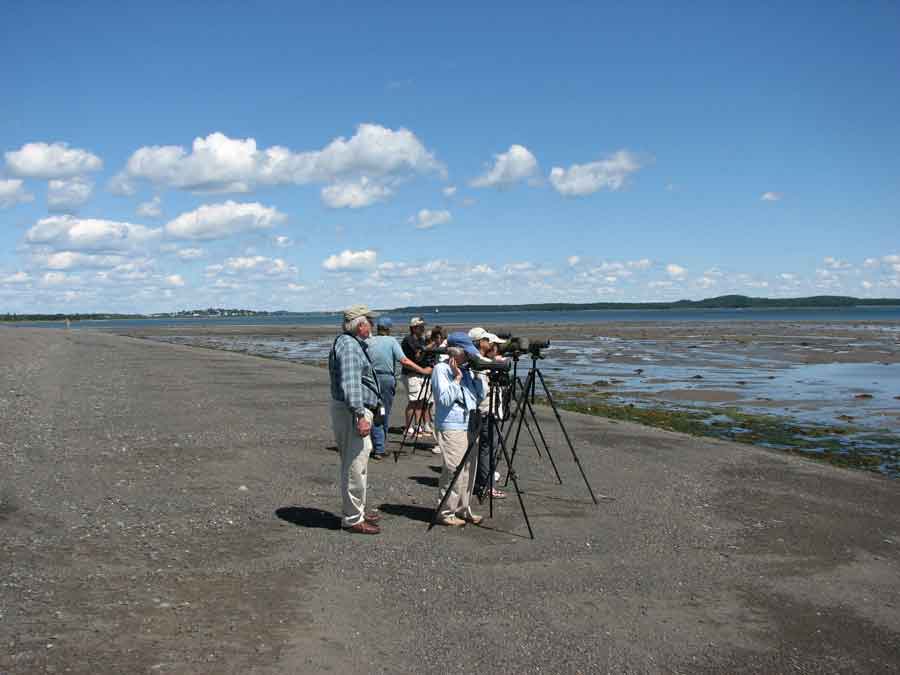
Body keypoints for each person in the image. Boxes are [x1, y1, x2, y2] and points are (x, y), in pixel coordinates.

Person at [328, 304, 383, 535]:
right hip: (353, 412)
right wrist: (360, 414)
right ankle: (352, 518)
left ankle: (356, 510)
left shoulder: (349, 343)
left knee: (356, 461)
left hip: (350, 410)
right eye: (370, 321)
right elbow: (351, 383)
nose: (372, 325)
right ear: (361, 324)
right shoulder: (350, 346)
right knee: (355, 465)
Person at [431, 333, 485, 527]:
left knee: (469, 470)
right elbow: (444, 400)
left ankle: (463, 509)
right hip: (451, 424)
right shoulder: (441, 369)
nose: (470, 357)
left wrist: (478, 375)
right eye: (467, 353)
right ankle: (445, 512)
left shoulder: (468, 370)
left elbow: (479, 397)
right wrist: (457, 378)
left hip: (469, 423)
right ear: (455, 353)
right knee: (454, 469)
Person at [367, 317, 432, 460]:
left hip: (370, 379)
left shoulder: (368, 341)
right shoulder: (391, 341)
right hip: (385, 379)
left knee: (373, 410)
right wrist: (422, 370)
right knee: (382, 411)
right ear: (389, 329)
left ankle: (375, 443)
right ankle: (379, 446)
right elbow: (404, 360)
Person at [468, 328, 508, 502]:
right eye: (492, 343)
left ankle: (481, 481)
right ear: (481, 342)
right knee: (488, 448)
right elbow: (482, 391)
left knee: (485, 448)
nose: (495, 347)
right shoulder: (480, 363)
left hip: (485, 411)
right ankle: (487, 485)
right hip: (486, 411)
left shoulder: (480, 361)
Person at [401, 317, 430, 437]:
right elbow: (417, 357)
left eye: (423, 326)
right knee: (413, 401)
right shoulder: (409, 340)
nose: (423, 329)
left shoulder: (421, 339)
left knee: (421, 401)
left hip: (420, 373)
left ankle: (417, 426)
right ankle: (408, 428)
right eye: (420, 327)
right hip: (411, 374)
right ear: (414, 328)